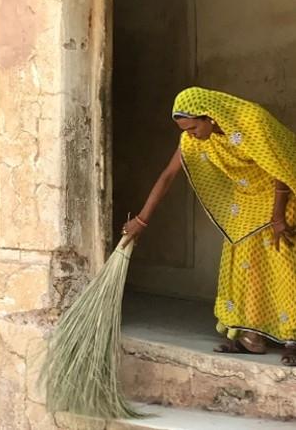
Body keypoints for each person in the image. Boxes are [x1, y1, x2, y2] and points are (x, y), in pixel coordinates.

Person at [122, 86, 296, 366]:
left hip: (282, 192)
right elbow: (167, 176)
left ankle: (293, 340)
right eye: (185, 130)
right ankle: (252, 338)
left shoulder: (252, 121)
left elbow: (282, 167)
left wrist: (278, 217)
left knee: (284, 261)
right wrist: (141, 220)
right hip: (247, 200)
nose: (190, 135)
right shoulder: (194, 140)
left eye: (193, 128)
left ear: (210, 117)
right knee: (245, 264)